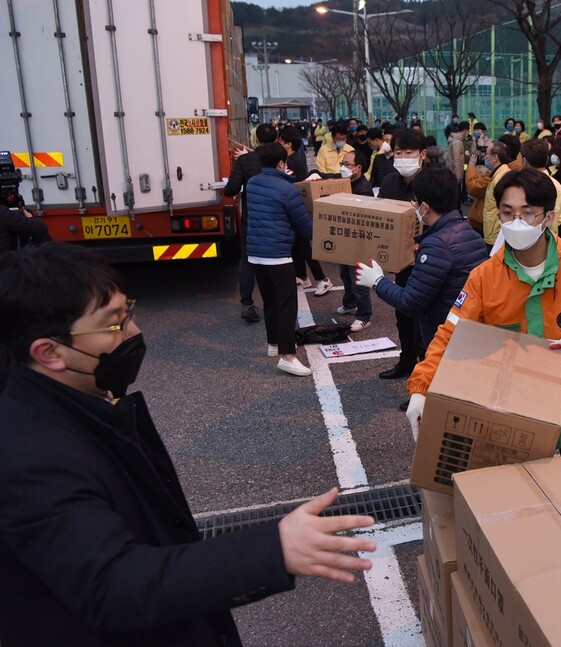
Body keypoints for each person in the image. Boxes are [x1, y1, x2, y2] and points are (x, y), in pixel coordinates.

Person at [0, 243, 376, 646]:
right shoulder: (28, 455)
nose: (134, 332)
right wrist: (273, 549)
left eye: (129, 313)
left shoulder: (80, 395)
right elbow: (112, 583)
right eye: (113, 325)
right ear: (48, 352)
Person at [405, 169, 561, 466]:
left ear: (549, 218)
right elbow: (452, 333)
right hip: (517, 405)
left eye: (528, 213)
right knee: (523, 492)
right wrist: (421, 388)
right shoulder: (485, 277)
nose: (516, 222)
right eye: (507, 212)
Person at [356, 166, 487, 350]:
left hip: (444, 337)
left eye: (415, 202)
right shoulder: (469, 233)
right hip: (469, 330)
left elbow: (410, 302)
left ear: (425, 207)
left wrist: (377, 281)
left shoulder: (437, 245)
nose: (414, 206)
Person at [246, 143, 318, 377]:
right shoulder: (287, 190)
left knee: (270, 302)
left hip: (256, 254)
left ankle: (274, 344)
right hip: (278, 255)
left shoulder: (253, 183)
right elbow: (304, 225)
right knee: (288, 305)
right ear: (281, 164)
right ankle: (288, 356)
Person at [376, 130, 427, 384]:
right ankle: (406, 361)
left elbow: (446, 220)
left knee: (425, 319)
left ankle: (425, 373)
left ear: (422, 155)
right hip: (401, 261)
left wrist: (423, 244)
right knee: (403, 313)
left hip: (429, 261)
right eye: (399, 153)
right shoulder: (389, 182)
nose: (404, 158)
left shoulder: (434, 181)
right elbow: (381, 220)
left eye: (410, 153)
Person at [224, 122, 277, 324]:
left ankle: (247, 304)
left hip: (252, 218)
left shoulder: (245, 160)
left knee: (248, 261)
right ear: (276, 138)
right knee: (275, 259)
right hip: (275, 217)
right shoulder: (279, 159)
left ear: (256, 139)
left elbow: (232, 188)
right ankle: (275, 302)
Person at [278, 126, 333, 297]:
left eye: (280, 142)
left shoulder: (292, 162)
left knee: (304, 247)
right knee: (297, 246)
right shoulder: (292, 159)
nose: (278, 145)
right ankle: (302, 276)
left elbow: (283, 178)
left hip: (297, 210)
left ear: (288, 144)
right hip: (293, 208)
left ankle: (323, 280)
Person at [335, 149, 374, 332]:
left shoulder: (363, 189)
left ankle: (364, 316)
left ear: (358, 167)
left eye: (347, 164)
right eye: (342, 164)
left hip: (359, 243)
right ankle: (349, 303)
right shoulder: (346, 182)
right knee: (345, 275)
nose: (343, 167)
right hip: (346, 239)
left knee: (358, 280)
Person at [520, 138, 561, 230]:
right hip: (551, 238)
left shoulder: (520, 185)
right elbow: (560, 217)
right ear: (547, 159)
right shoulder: (556, 185)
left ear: (524, 161)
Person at [480, 141, 516, 247]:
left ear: (495, 158)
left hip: (495, 233)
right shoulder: (499, 174)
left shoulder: (500, 178)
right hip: (494, 231)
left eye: (487, 154)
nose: (485, 156)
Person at [446, 120, 470, 184]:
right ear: (465, 130)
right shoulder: (457, 142)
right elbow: (456, 160)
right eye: (468, 131)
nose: (468, 133)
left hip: (452, 173)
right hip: (454, 175)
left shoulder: (456, 140)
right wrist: (458, 176)